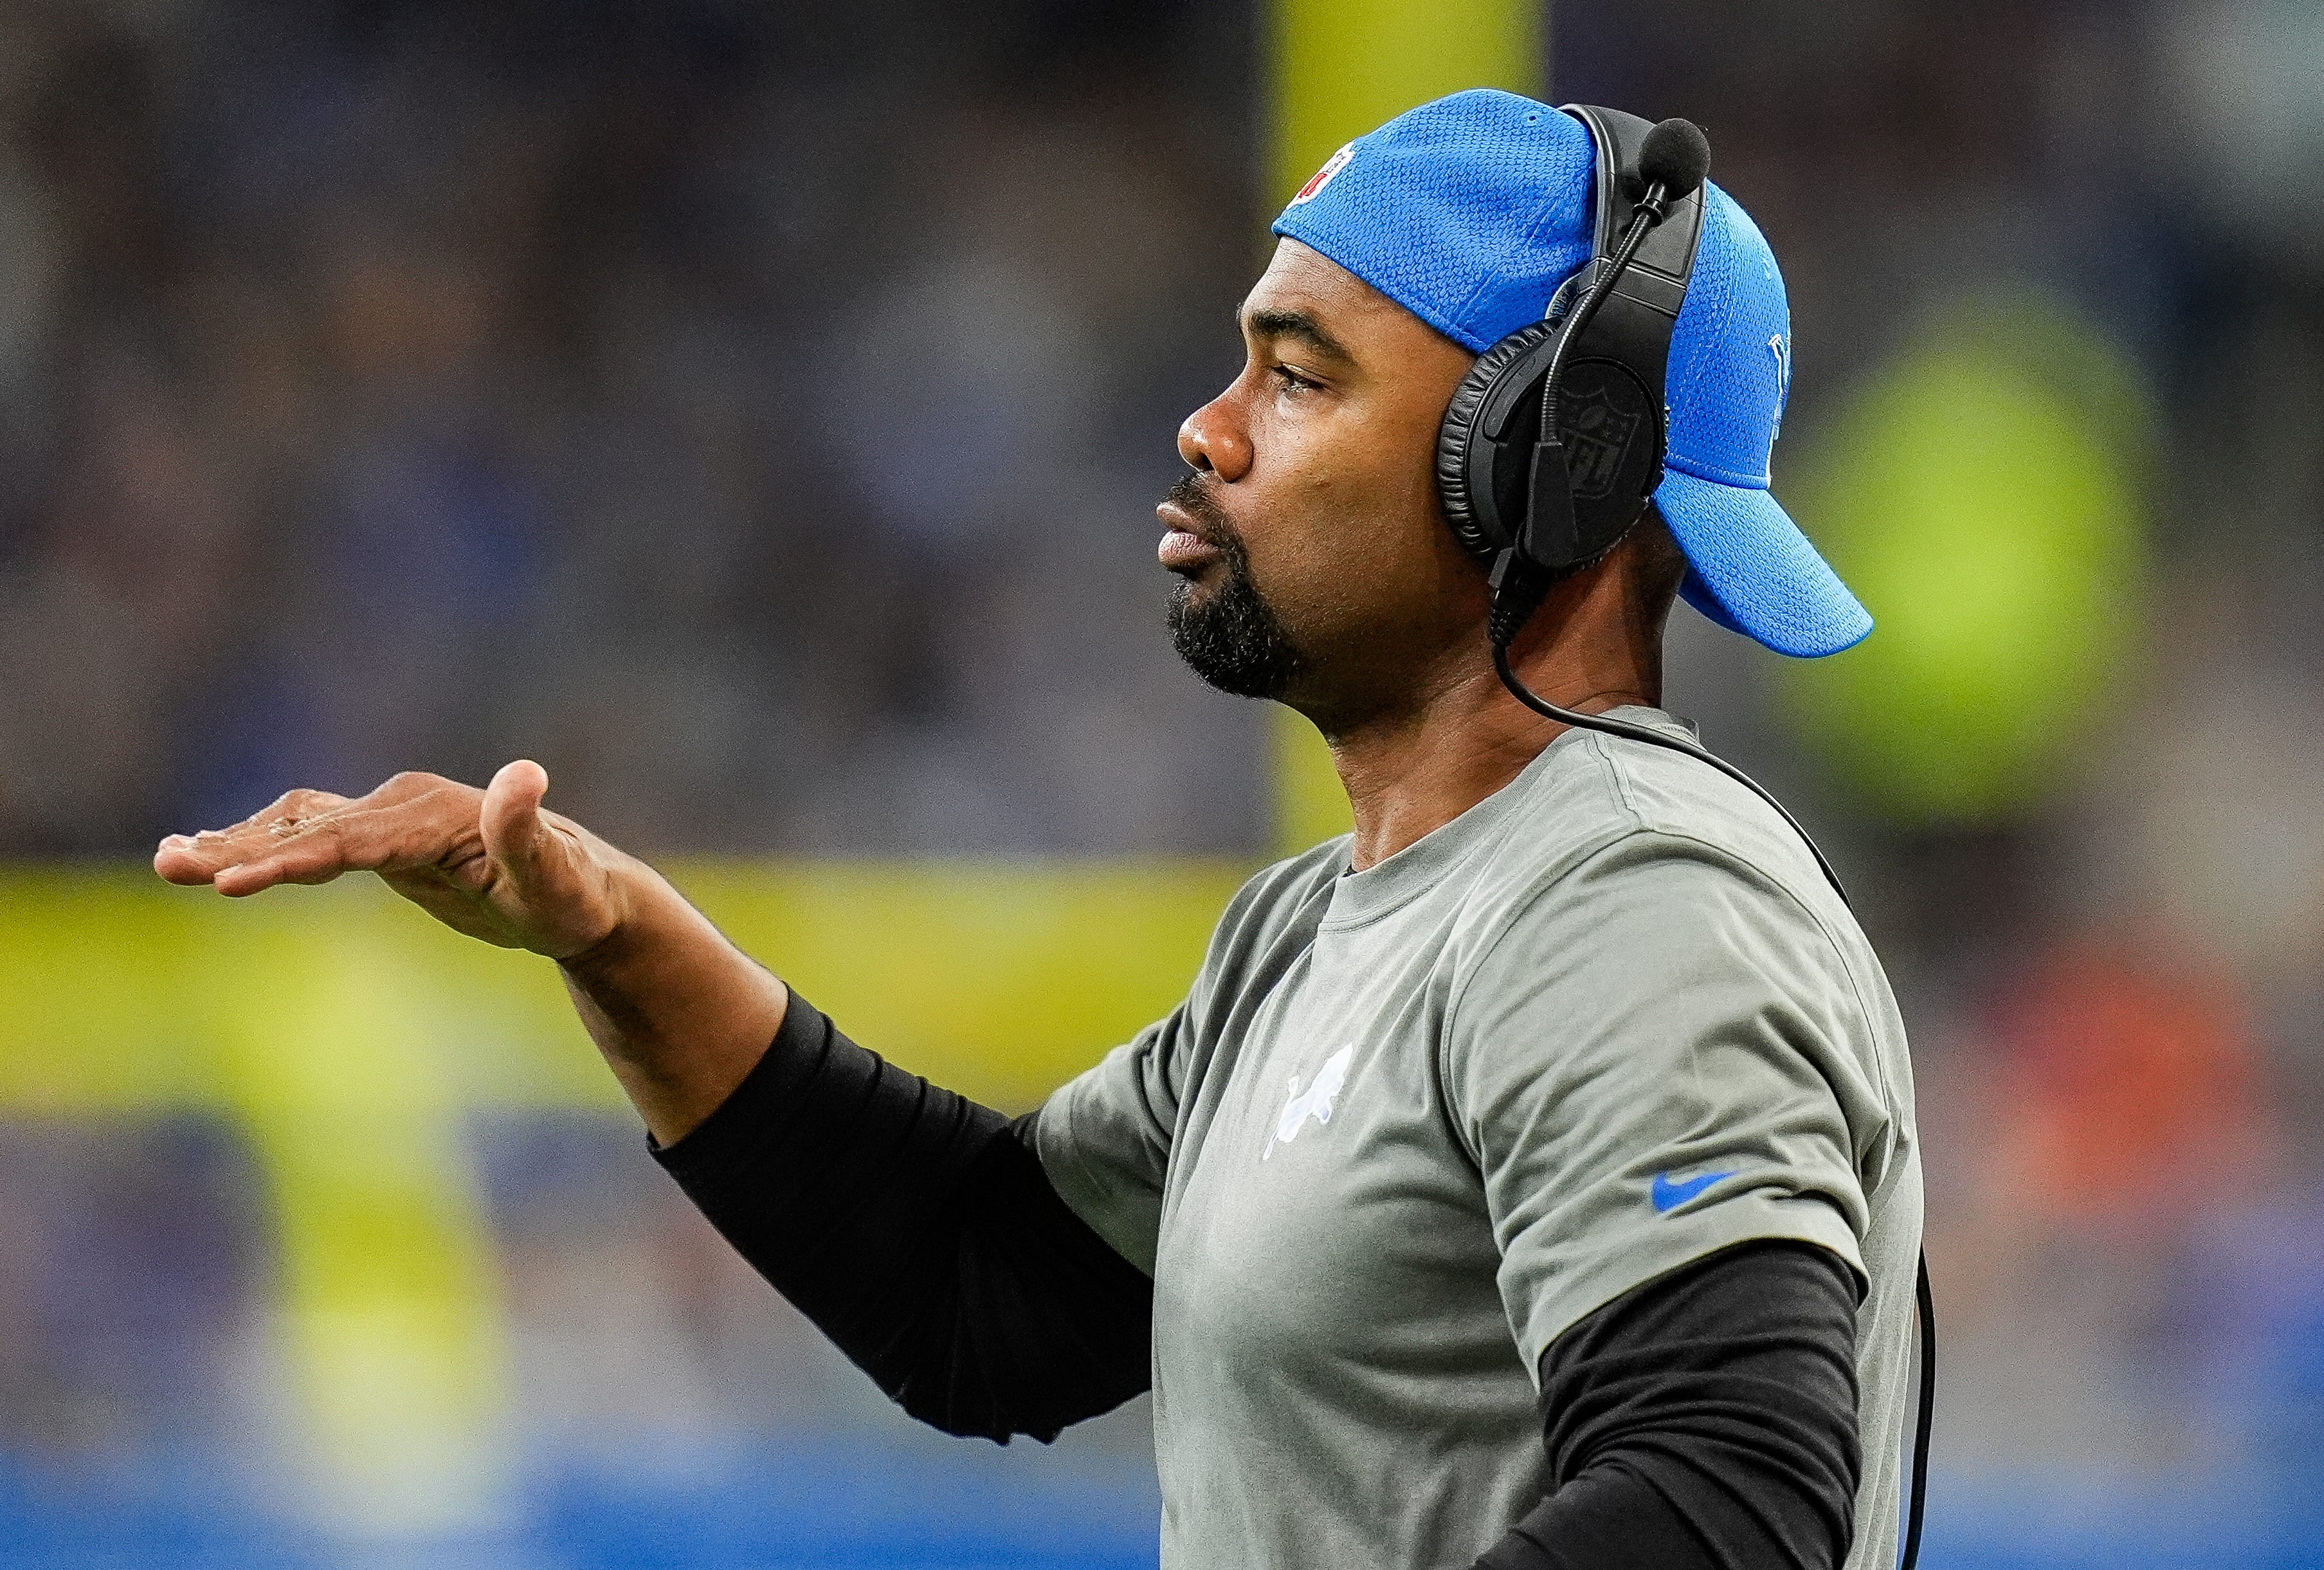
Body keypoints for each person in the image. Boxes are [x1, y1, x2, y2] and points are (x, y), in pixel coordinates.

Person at [156, 89, 1921, 1570]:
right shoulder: (1321, 932)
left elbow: (1729, 1504)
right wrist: (611, 937)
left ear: (1550, 460)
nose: (1207, 429)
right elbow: (982, 1294)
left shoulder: (1627, 900)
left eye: (1301, 377)